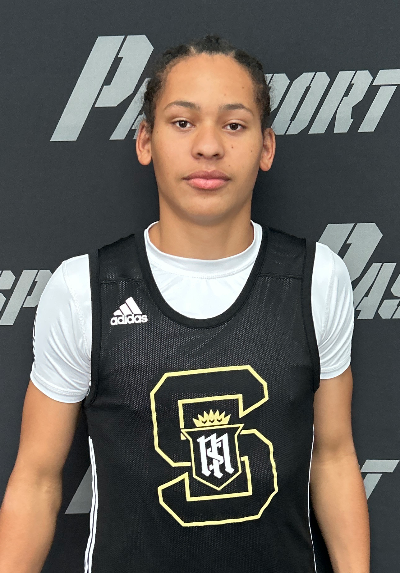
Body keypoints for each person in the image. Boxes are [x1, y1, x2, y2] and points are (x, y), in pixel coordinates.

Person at [0, 35, 369, 572]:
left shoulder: (317, 278)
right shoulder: (84, 289)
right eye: (182, 122)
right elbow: (36, 480)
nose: (209, 146)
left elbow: (333, 456)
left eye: (234, 125)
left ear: (266, 147)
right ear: (145, 141)